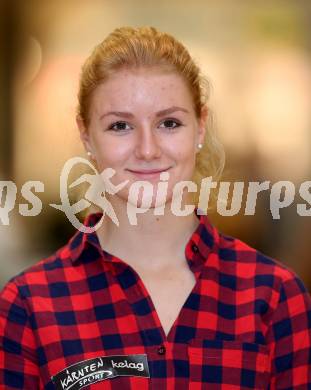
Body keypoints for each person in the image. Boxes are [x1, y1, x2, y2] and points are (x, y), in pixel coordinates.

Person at [0, 26, 310, 389]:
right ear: (86, 135)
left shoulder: (272, 296)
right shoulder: (30, 306)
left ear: (200, 128)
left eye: (169, 123)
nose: (147, 150)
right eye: (120, 125)